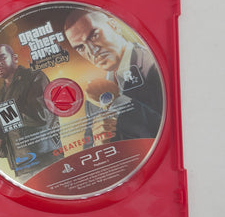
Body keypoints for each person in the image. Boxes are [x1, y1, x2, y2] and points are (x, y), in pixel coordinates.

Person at [64, 9, 163, 145]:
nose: (92, 51)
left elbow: (169, 130)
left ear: (114, 26)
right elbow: (89, 152)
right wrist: (98, 144)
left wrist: (115, 100)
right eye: (80, 48)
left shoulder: (154, 66)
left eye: (94, 36)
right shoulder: (93, 99)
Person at [0, 44, 60, 181]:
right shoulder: (3, 94)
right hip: (22, 171)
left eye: (2, 58)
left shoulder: (34, 77)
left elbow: (41, 116)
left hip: (46, 163)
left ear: (14, 58)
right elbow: (14, 137)